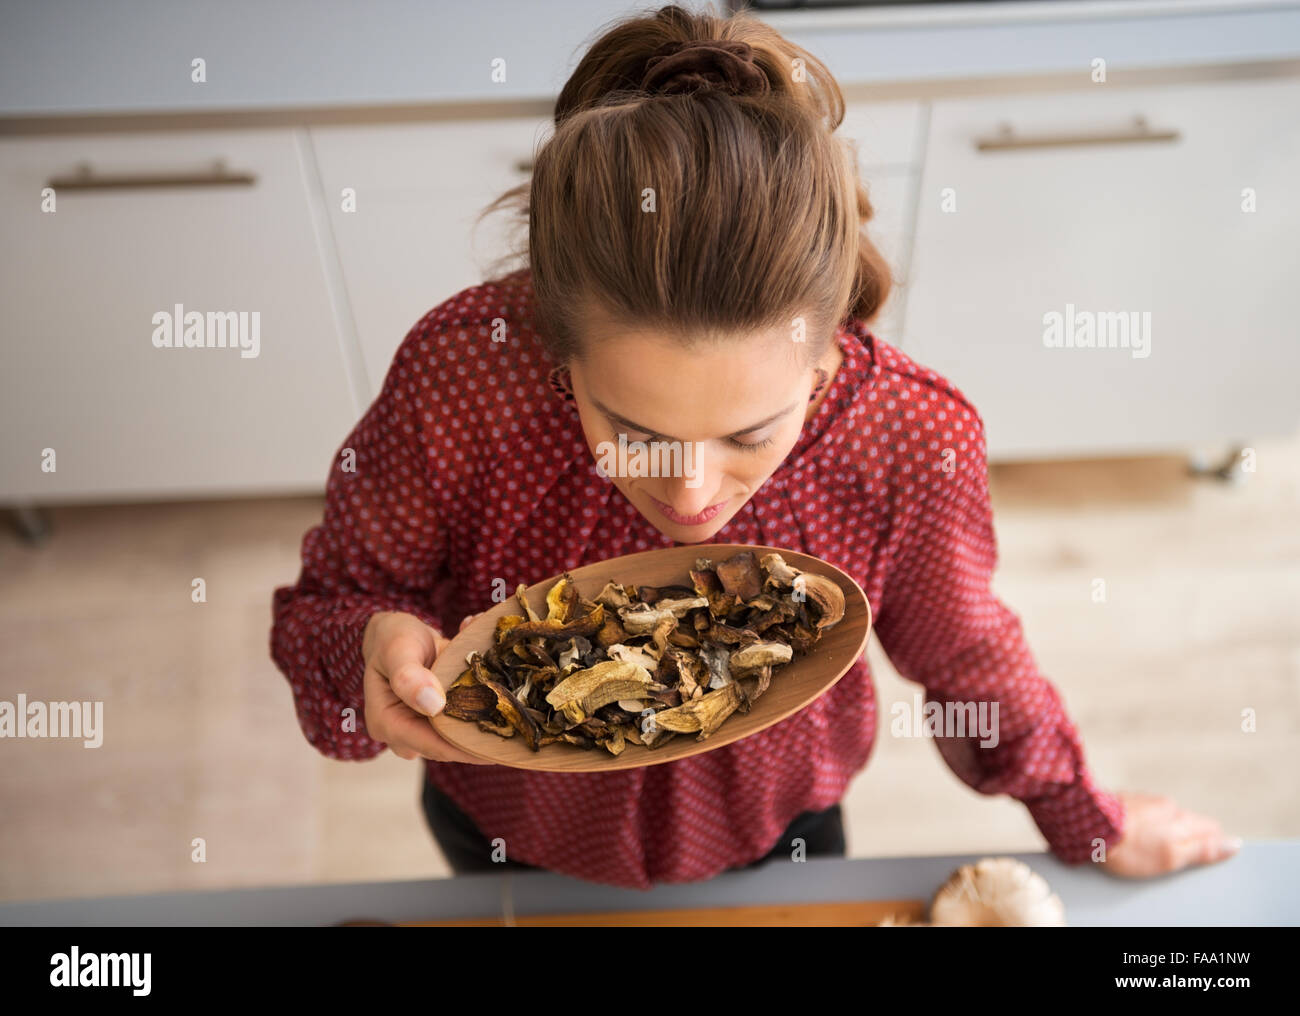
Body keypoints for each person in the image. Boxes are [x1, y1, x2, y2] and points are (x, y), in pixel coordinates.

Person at [270, 4, 1238, 890]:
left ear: (821, 369)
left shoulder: (909, 432)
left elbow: (965, 652)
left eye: (748, 433)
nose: (689, 494)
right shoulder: (464, 374)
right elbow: (338, 597)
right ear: (558, 356)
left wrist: (1084, 815)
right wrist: (367, 647)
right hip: (505, 824)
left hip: (784, 828)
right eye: (633, 429)